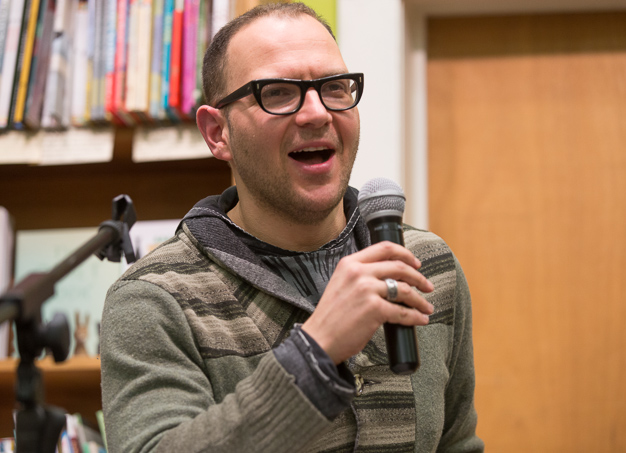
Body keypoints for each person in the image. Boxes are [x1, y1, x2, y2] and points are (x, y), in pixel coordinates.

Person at [100, 3, 483, 452]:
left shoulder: (426, 265)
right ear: (217, 132)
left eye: (335, 88)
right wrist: (314, 353)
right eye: (278, 93)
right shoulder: (153, 299)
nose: (317, 113)